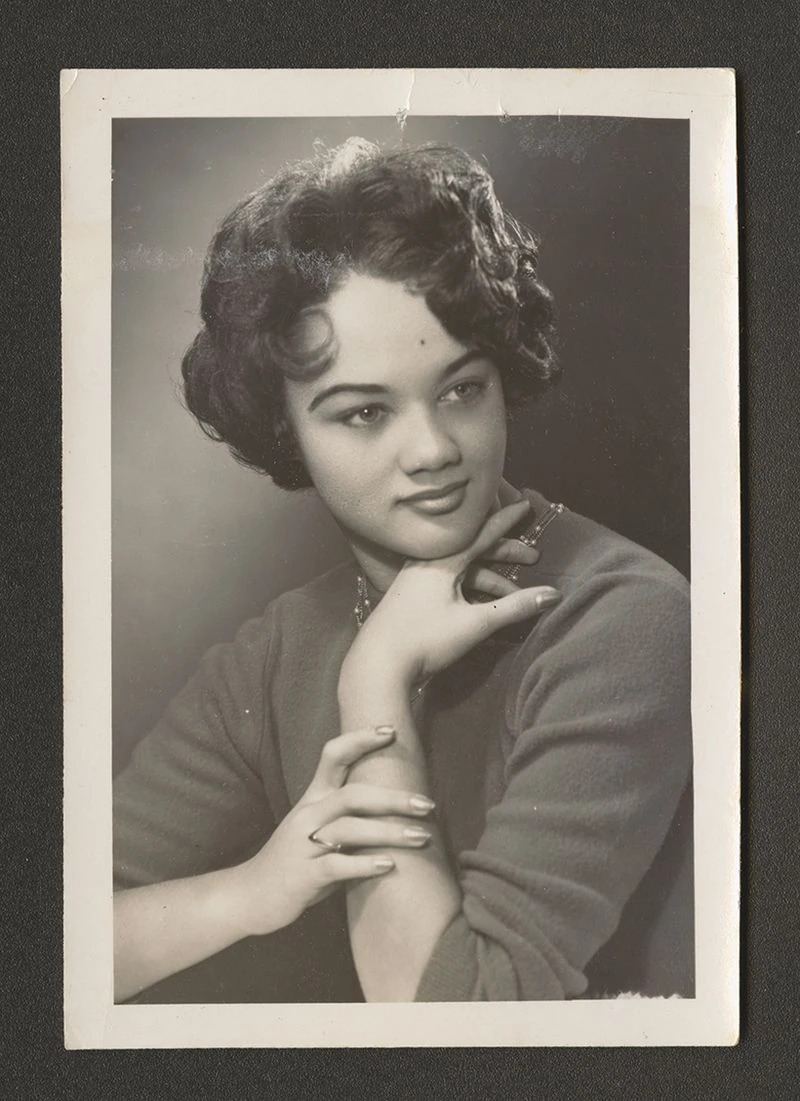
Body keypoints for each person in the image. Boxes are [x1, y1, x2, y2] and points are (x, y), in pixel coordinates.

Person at [113, 138, 693, 1004]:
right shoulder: (278, 650)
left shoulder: (622, 616)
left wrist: (376, 676)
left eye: (461, 389)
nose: (432, 450)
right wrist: (247, 894)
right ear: (285, 430)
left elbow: (460, 1030)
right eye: (364, 413)